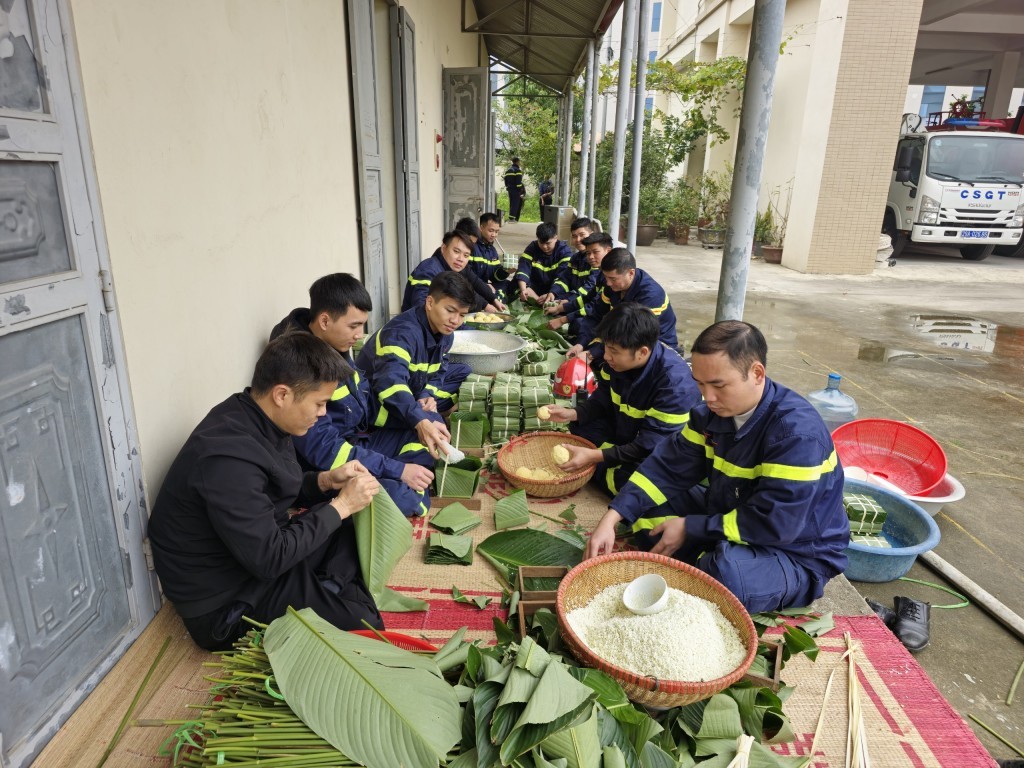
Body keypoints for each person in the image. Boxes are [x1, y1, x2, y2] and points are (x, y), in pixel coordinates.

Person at [585, 320, 850, 614]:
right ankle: (705, 555)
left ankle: (717, 562)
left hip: (795, 550)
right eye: (700, 384)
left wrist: (692, 526)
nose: (708, 397)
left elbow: (776, 524)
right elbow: (667, 468)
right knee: (643, 508)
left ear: (757, 373)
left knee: (724, 576)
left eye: (718, 385)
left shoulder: (796, 434)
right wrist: (611, 518)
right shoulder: (710, 415)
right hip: (726, 512)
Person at [147, 333, 384, 651]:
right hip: (225, 603)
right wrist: (340, 505)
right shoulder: (226, 458)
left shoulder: (256, 416)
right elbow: (270, 559)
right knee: (367, 625)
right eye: (319, 403)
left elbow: (276, 489)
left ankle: (323, 591)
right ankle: (327, 595)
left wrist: (327, 481)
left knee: (346, 523)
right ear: (282, 394)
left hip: (253, 558)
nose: (323, 413)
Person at [269, 274, 433, 517]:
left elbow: (364, 403)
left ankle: (412, 478)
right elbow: (325, 450)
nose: (359, 335)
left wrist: (417, 418)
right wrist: (397, 470)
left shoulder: (335, 344)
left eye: (362, 326)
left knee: (427, 430)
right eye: (353, 326)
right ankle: (411, 488)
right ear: (325, 321)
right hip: (329, 467)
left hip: (357, 443)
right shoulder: (300, 363)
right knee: (399, 496)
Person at [545, 303, 701, 496]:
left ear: (642, 352)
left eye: (614, 351)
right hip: (627, 432)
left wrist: (594, 456)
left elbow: (649, 445)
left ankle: (600, 468)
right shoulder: (616, 362)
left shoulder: (675, 386)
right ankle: (600, 465)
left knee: (635, 482)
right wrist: (573, 413)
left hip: (659, 450)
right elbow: (603, 398)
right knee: (579, 425)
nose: (606, 356)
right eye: (606, 347)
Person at [357, 271, 474, 458]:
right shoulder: (402, 334)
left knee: (463, 371)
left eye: (462, 315)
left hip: (412, 388)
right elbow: (390, 384)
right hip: (379, 404)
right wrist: (420, 420)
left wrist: (427, 395)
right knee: (427, 444)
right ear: (429, 303)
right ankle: (411, 423)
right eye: (450, 311)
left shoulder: (446, 334)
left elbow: (439, 369)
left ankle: (425, 408)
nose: (456, 321)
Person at [567, 248, 678, 362]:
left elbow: (630, 335)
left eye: (613, 279)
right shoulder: (612, 286)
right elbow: (596, 315)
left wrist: (591, 354)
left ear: (631, 273)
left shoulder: (651, 296)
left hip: (653, 347)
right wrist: (580, 344)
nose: (608, 283)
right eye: (606, 277)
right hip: (622, 339)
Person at [402, 230, 506, 313]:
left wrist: (490, 301)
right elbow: (421, 308)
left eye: (466, 255)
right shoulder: (428, 270)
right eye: (456, 251)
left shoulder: (454, 267)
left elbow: (472, 286)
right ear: (443, 248)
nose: (460, 258)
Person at [515, 222, 573, 302]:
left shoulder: (564, 251)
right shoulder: (532, 247)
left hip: (554, 290)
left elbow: (563, 277)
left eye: (548, 243)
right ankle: (536, 301)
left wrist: (552, 293)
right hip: (533, 288)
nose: (545, 247)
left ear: (556, 238)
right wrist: (524, 289)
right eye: (541, 243)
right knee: (517, 281)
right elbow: (523, 268)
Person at [470, 212, 509, 298]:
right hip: (472, 287)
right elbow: (466, 275)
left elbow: (494, 278)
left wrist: (506, 271)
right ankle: (496, 299)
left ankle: (496, 298)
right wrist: (484, 286)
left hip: (485, 287)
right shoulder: (472, 246)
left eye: (496, 231)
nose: (494, 235)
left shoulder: (492, 250)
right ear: (481, 228)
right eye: (491, 231)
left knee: (509, 284)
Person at [504, 156, 526, 221]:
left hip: (510, 189)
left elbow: (505, 181)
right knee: (515, 204)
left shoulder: (508, 171)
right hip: (516, 190)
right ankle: (512, 218)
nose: (520, 163)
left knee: (511, 203)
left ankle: (510, 217)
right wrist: (520, 190)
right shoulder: (518, 171)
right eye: (519, 162)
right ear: (517, 162)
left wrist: (508, 187)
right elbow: (518, 183)